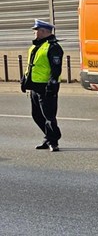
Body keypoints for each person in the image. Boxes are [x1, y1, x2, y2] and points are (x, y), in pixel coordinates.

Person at [22, 19, 63, 151]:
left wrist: (52, 84)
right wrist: (24, 81)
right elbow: (30, 66)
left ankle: (53, 141)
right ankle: (49, 136)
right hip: (34, 86)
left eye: (37, 30)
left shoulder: (53, 47)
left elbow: (56, 68)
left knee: (49, 116)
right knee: (37, 115)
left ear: (44, 32)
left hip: (46, 87)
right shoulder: (35, 46)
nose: (35, 33)